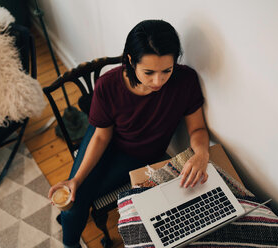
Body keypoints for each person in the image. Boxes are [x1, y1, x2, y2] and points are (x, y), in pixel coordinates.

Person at [48, 19, 210, 248]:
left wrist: (201, 153)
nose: (158, 81)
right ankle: (70, 241)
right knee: (75, 200)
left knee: (81, 200)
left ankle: (71, 216)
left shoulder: (185, 80)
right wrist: (75, 179)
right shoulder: (107, 86)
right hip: (105, 136)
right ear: (131, 61)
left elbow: (198, 128)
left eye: (167, 70)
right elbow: (101, 137)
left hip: (138, 155)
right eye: (149, 72)